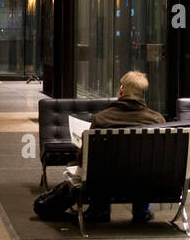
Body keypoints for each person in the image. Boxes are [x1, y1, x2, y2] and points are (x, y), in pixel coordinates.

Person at [65, 70, 165, 224]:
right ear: (143, 94)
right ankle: (142, 211)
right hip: (144, 184)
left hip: (107, 183)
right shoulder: (157, 120)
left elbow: (84, 158)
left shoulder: (102, 118)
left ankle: (100, 210)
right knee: (144, 167)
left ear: (122, 90)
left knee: (97, 166)